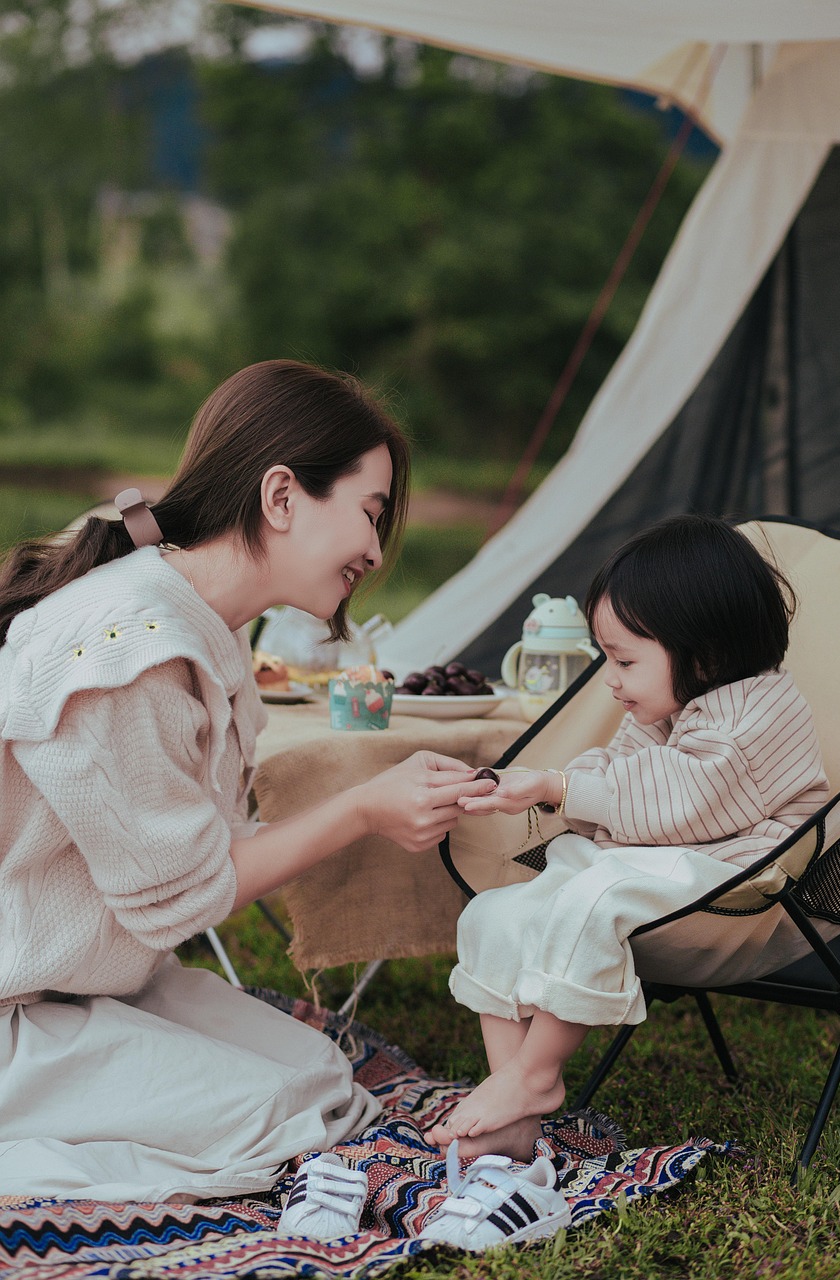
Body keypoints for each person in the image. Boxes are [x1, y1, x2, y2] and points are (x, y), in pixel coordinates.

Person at [0, 358, 491, 1203]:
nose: (375, 550)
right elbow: (183, 900)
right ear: (281, 496)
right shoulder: (127, 654)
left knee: (326, 1080)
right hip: (17, 1008)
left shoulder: (203, 633)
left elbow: (200, 849)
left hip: (82, 986)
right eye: (369, 515)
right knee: (285, 1118)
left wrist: (382, 806)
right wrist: (362, 808)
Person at [426, 514, 833, 1161]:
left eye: (622, 660)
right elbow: (616, 772)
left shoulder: (759, 709)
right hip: (659, 865)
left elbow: (683, 798)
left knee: (596, 895)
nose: (609, 678)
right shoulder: (669, 702)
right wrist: (547, 783)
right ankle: (510, 1094)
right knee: (495, 912)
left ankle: (535, 1077)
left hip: (739, 884)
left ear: (702, 652)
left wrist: (557, 786)